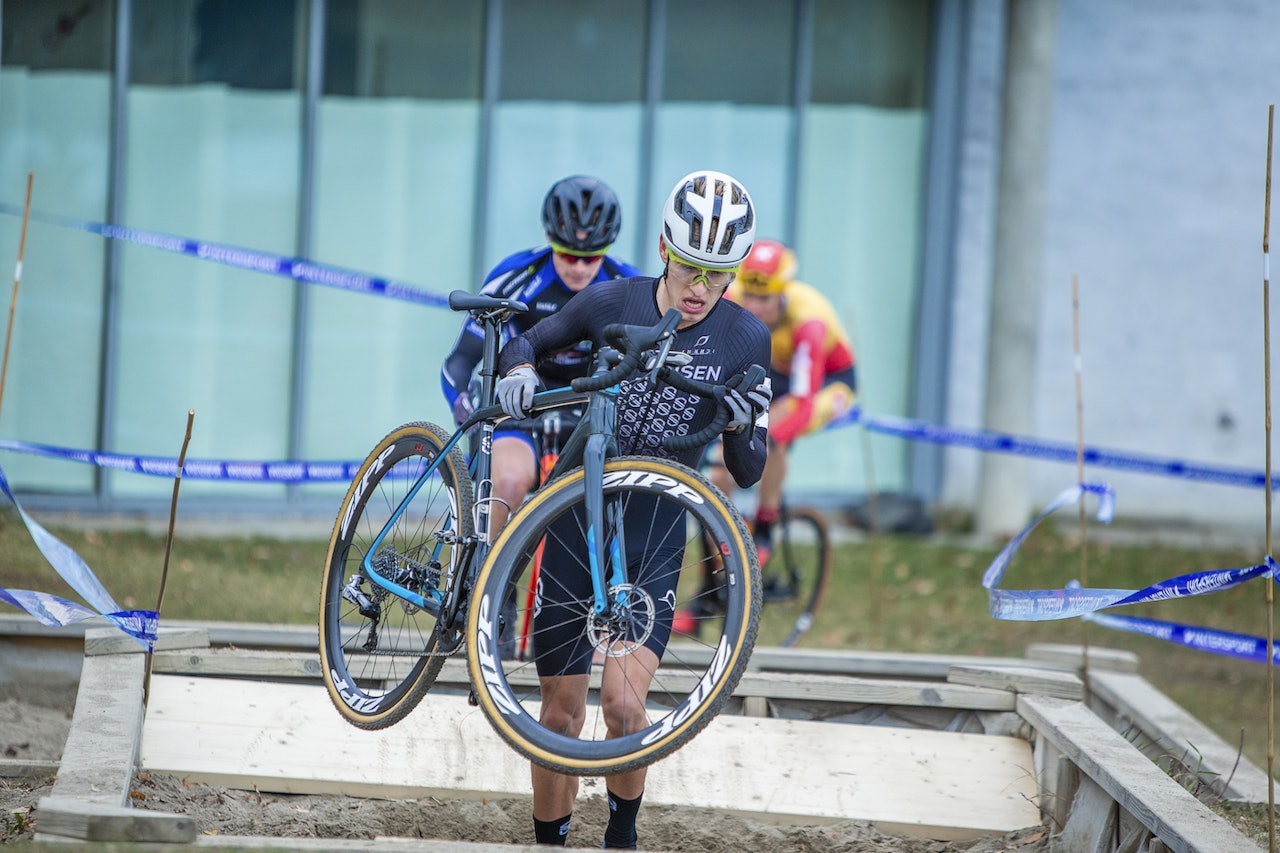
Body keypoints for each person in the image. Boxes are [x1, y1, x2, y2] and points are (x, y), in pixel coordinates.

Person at [493, 169, 773, 849]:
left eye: (719, 273)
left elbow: (747, 469)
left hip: (656, 524)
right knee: (559, 714)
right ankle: (550, 840)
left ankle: (622, 835)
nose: (700, 287)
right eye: (688, 267)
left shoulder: (745, 338)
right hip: (576, 511)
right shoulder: (614, 299)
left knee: (623, 705)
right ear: (662, 249)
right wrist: (520, 370)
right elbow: (529, 338)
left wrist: (741, 426)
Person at [441, 175, 644, 536]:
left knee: (613, 501)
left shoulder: (628, 284)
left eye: (592, 258)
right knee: (508, 483)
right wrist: (465, 410)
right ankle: (488, 588)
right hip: (521, 407)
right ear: (550, 239)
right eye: (568, 255)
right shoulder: (516, 276)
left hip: (588, 412)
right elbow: (458, 361)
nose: (579, 269)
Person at [715, 239, 857, 566]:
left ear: (782, 293)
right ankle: (714, 586)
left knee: (772, 434)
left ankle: (765, 525)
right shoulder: (732, 299)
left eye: (764, 298)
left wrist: (768, 437)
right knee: (719, 472)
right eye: (748, 295)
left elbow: (802, 404)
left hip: (827, 382)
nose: (754, 306)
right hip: (775, 375)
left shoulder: (809, 321)